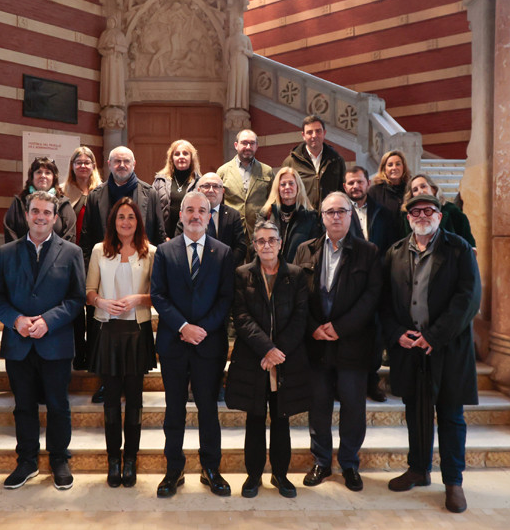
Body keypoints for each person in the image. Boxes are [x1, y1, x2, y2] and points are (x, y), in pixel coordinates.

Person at [380, 193, 481, 514]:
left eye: (428, 210)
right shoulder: (395, 252)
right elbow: (383, 301)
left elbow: (468, 298)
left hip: (447, 347)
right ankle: (418, 469)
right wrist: (397, 334)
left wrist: (434, 336)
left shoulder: (458, 248)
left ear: (439, 214)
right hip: (409, 348)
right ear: (408, 217)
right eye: (416, 211)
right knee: (416, 412)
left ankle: (453, 481)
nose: (422, 215)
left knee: (450, 415)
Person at [0, 192, 85, 491]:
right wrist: (16, 320)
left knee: (58, 405)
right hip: (19, 342)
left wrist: (48, 321)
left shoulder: (71, 252)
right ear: (27, 215)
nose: (40, 216)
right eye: (35, 211)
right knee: (24, 406)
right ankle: (27, 461)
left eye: (46, 212)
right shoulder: (6, 252)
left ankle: (59, 459)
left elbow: (77, 298)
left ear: (55, 217)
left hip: (54, 341)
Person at [292, 192, 382, 493]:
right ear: (322, 216)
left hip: (353, 344)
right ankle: (321, 461)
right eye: (329, 212)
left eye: (341, 211)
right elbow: (294, 296)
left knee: (353, 407)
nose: (335, 217)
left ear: (350, 215)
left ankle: (349, 464)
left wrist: (340, 328)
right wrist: (313, 327)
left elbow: (371, 297)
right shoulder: (305, 250)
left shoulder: (368, 252)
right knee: (318, 405)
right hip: (316, 344)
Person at [151, 191, 235, 498]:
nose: (196, 215)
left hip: (208, 345)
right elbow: (158, 295)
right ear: (181, 215)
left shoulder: (223, 252)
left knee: (208, 410)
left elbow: (226, 298)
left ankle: (211, 468)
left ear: (210, 216)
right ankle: (174, 469)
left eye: (202, 210)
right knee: (174, 409)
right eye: (190, 210)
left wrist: (202, 329)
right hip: (174, 343)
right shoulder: (164, 251)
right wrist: (184, 327)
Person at [225, 221, 309, 499]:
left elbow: (300, 318)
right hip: (254, 358)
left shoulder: (296, 275)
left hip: (285, 359)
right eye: (260, 241)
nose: (266, 246)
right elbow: (241, 316)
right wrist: (266, 350)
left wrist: (277, 352)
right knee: (255, 418)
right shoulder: (242, 274)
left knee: (281, 418)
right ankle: (253, 475)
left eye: (271, 240)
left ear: (280, 243)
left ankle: (281, 475)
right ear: (254, 245)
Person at [81, 146, 165, 403]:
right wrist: (92, 280)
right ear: (108, 163)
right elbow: (87, 239)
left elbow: (159, 234)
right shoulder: (96, 195)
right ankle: (106, 382)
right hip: (104, 268)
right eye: (116, 161)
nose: (121, 165)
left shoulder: (149, 192)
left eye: (126, 161)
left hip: (139, 264)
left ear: (134, 162)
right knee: (100, 329)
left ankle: (130, 383)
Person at [86, 197, 157, 488]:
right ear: (113, 222)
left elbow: (159, 295)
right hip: (108, 331)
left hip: (137, 332)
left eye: (131, 217)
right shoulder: (99, 251)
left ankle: (131, 459)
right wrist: (101, 301)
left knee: (136, 401)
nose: (125, 222)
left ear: (138, 222)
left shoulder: (150, 252)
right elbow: (89, 291)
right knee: (111, 402)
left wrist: (137, 299)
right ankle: (113, 459)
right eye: (120, 217)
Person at [344, 166, 399, 403]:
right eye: (350, 183)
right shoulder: (339, 212)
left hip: (377, 280)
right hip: (348, 281)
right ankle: (348, 383)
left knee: (375, 334)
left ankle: (371, 382)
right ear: (344, 187)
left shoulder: (384, 214)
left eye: (359, 182)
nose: (355, 186)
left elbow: (393, 246)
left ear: (368, 183)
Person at [62, 146, 103, 371]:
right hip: (70, 257)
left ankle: (95, 354)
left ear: (94, 166)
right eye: (79, 162)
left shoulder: (102, 191)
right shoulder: (62, 191)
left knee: (95, 308)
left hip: (96, 257)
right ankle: (79, 354)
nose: (83, 166)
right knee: (76, 307)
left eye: (88, 162)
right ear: (72, 166)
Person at [174, 172, 248, 265]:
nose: (211, 190)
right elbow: (178, 242)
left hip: (225, 270)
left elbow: (240, 247)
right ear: (198, 190)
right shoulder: (189, 214)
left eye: (216, 186)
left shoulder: (233, 215)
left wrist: (225, 265)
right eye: (206, 186)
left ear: (223, 191)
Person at [3, 158, 77, 244]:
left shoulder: (64, 204)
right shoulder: (19, 202)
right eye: (38, 172)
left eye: (48, 172)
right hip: (21, 256)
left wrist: (56, 255)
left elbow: (69, 235)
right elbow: (10, 233)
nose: (43, 175)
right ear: (32, 176)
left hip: (57, 256)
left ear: (54, 177)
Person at [257, 167, 322, 263]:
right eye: (283, 184)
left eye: (291, 183)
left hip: (299, 273)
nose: (287, 187)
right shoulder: (266, 214)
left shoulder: (311, 217)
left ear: (298, 187)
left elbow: (315, 250)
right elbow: (256, 245)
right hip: (270, 271)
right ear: (278, 188)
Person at [282, 115, 346, 211]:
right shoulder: (291, 162)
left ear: (324, 133)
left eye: (318, 131)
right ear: (303, 135)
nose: (314, 135)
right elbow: (283, 194)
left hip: (330, 218)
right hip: (302, 220)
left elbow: (343, 193)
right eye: (309, 132)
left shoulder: (336, 160)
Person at [217, 129, 273, 236]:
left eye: (252, 143)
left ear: (257, 146)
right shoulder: (223, 171)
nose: (248, 147)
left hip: (259, 230)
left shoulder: (267, 171)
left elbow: (274, 201)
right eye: (244, 143)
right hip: (231, 230)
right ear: (236, 145)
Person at [401, 173, 476, 248]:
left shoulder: (452, 210)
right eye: (415, 190)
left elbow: (468, 243)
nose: (420, 191)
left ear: (433, 189)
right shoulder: (409, 216)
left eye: (423, 186)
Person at [153, 139, 201, 239]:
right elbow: (153, 211)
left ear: (191, 158)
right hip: (163, 238)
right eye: (177, 154)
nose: (181, 157)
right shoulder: (160, 181)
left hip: (191, 237)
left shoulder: (200, 182)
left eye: (185, 153)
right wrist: (162, 236)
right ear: (171, 158)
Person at [367, 150, 412, 218]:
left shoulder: (411, 188)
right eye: (390, 165)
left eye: (398, 164)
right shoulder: (374, 191)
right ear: (384, 169)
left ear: (403, 167)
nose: (394, 168)